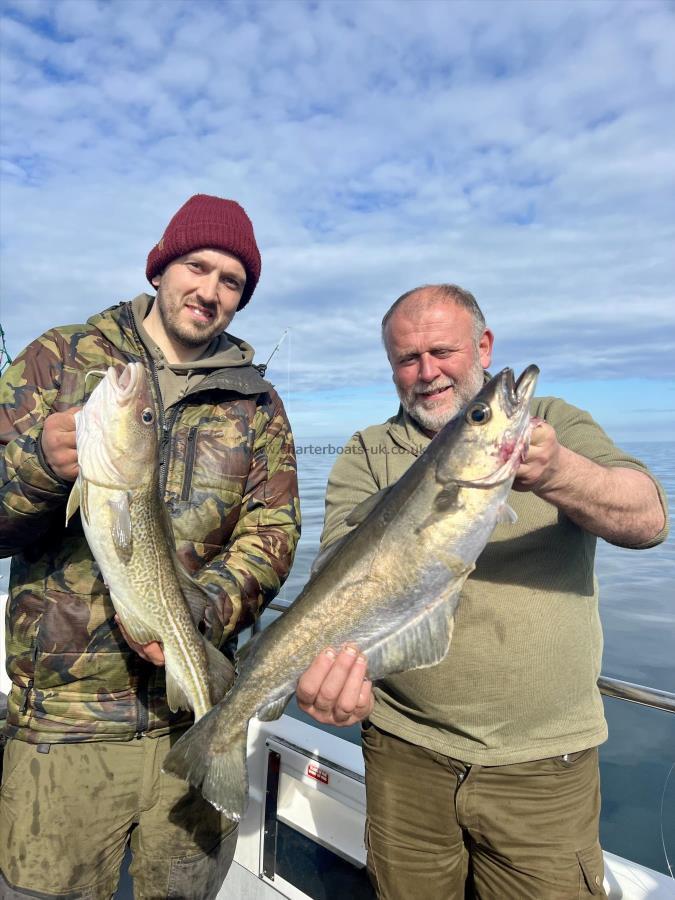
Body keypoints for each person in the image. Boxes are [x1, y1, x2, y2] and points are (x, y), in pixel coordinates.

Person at [298, 284, 668, 899]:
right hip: (403, 752)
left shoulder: (555, 423)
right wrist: (335, 680)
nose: (426, 372)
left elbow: (649, 519)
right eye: (406, 360)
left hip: (545, 768)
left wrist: (559, 472)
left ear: (483, 346)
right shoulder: (367, 450)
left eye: (441, 351)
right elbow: (336, 583)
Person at [0, 194, 301, 899]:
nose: (210, 291)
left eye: (232, 281)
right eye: (197, 267)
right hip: (65, 727)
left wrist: (201, 614)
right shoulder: (60, 358)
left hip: (185, 717)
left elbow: (274, 533)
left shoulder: (255, 402)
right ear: (161, 268)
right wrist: (38, 467)